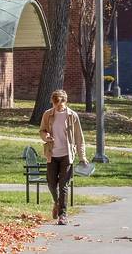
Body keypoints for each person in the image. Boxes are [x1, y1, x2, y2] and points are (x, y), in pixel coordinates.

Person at [39, 89, 88, 225]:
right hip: (52, 154)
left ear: (65, 101)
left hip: (67, 155)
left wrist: (82, 156)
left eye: (60, 104)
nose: (57, 106)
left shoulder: (72, 116)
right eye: (55, 104)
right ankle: (57, 202)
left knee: (63, 186)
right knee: (51, 183)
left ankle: (63, 215)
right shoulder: (47, 114)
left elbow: (79, 138)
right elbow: (42, 130)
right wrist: (46, 136)